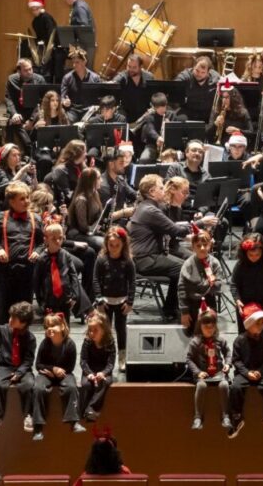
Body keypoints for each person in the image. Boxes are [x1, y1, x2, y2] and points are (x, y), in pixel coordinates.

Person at [129, 174, 193, 320]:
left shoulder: (148, 207)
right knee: (184, 268)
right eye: (160, 187)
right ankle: (172, 309)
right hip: (145, 259)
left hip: (150, 255)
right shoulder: (151, 211)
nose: (164, 190)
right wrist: (199, 225)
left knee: (186, 264)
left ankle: (172, 307)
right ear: (152, 192)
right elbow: (177, 230)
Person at [0, 183, 43, 324]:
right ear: (11, 202)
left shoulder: (36, 218)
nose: (27, 201)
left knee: (24, 314)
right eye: (22, 199)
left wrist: (37, 251)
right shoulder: (1, 217)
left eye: (28, 198)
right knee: (3, 314)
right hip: (6, 272)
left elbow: (42, 242)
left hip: (27, 271)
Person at [0, 299, 36, 435]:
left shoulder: (30, 338)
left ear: (23, 323)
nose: (10, 320)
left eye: (14, 318)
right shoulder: (5, 329)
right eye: (10, 316)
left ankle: (28, 416)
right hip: (6, 366)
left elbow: (29, 360)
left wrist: (19, 373)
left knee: (28, 385)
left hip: (22, 368)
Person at [229, 304, 263, 439]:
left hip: (261, 373)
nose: (261, 327)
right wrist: (246, 373)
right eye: (258, 324)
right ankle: (237, 417)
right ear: (249, 324)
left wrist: (260, 371)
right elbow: (236, 360)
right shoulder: (239, 340)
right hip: (243, 373)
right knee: (235, 387)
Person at [32, 313, 85, 441]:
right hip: (47, 373)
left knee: (71, 387)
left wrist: (60, 372)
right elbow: (38, 364)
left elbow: (71, 367)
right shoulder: (45, 343)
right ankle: (38, 427)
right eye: (47, 326)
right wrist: (52, 369)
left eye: (53, 325)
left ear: (62, 326)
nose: (49, 329)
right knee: (38, 388)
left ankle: (73, 422)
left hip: (64, 374)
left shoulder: (70, 344)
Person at [92, 228, 134, 371]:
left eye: (117, 245)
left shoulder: (127, 261)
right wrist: (99, 299)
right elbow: (96, 279)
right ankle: (106, 358)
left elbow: (132, 282)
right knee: (106, 330)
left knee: (121, 330)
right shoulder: (101, 259)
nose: (114, 248)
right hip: (105, 303)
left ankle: (122, 358)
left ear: (123, 244)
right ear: (106, 244)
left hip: (121, 302)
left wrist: (130, 302)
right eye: (111, 245)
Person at [186, 308, 231, 431]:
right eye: (206, 328)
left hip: (218, 372)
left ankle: (226, 416)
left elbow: (228, 352)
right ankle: (198, 417)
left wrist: (228, 363)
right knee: (201, 386)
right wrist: (198, 372)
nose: (209, 330)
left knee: (224, 385)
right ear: (200, 327)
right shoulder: (195, 342)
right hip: (203, 373)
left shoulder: (220, 340)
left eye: (212, 327)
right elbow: (189, 359)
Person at [230, 233, 263, 333]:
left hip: (262, 306)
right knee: (244, 334)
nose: (254, 257)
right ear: (245, 252)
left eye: (257, 255)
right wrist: (237, 300)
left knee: (262, 335)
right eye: (250, 255)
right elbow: (234, 284)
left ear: (262, 252)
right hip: (245, 306)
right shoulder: (240, 264)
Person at [79, 310, 116, 422]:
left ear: (104, 330)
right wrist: (89, 374)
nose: (92, 333)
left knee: (105, 382)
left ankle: (90, 409)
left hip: (103, 371)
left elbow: (110, 363)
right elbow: (83, 361)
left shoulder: (110, 342)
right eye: (90, 330)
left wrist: (103, 373)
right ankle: (86, 411)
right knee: (86, 384)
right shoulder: (87, 342)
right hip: (89, 370)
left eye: (95, 330)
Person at [175, 56, 220, 124]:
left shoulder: (216, 78)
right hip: (188, 110)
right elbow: (175, 84)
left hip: (208, 113)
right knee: (178, 121)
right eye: (197, 70)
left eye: (203, 72)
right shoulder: (186, 75)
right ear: (193, 67)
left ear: (208, 72)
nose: (199, 74)